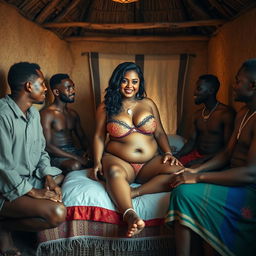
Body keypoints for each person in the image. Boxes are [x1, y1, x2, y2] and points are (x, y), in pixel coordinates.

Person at [166, 59, 256, 256]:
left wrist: (198, 177)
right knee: (182, 184)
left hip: (248, 187)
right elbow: (226, 153)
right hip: (231, 175)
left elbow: (251, 173)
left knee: (184, 194)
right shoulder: (243, 113)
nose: (233, 85)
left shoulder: (231, 114)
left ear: (252, 85)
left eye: (238, 81)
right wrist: (194, 170)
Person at [91, 62, 182, 238]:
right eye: (124, 81)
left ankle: (134, 192)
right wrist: (96, 162)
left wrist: (168, 153)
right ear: (117, 82)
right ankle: (130, 215)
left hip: (150, 162)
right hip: (120, 160)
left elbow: (160, 132)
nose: (129, 86)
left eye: (134, 81)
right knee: (114, 173)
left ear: (140, 83)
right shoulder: (105, 107)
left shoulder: (148, 103)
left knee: (179, 172)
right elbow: (98, 136)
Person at [0, 62, 66, 256]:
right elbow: (3, 167)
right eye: (42, 83)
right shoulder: (3, 115)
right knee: (58, 213)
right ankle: (4, 227)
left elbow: (42, 151)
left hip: (27, 179)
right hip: (6, 187)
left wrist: (47, 177)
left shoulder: (34, 114)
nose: (46, 88)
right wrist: (34, 192)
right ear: (29, 86)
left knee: (61, 177)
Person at [175, 74, 235, 167]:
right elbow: (191, 141)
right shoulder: (197, 114)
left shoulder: (226, 114)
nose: (194, 92)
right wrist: (177, 155)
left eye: (199, 89)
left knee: (189, 170)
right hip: (197, 155)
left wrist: (202, 160)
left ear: (211, 91)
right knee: (169, 167)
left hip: (215, 158)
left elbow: (227, 149)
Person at [40, 74, 92, 175]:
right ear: (56, 92)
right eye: (68, 88)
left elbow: (82, 138)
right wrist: (77, 158)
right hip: (56, 155)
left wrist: (89, 152)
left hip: (74, 152)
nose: (73, 91)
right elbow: (48, 146)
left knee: (101, 160)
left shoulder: (73, 114)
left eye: (73, 87)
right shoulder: (47, 114)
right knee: (75, 165)